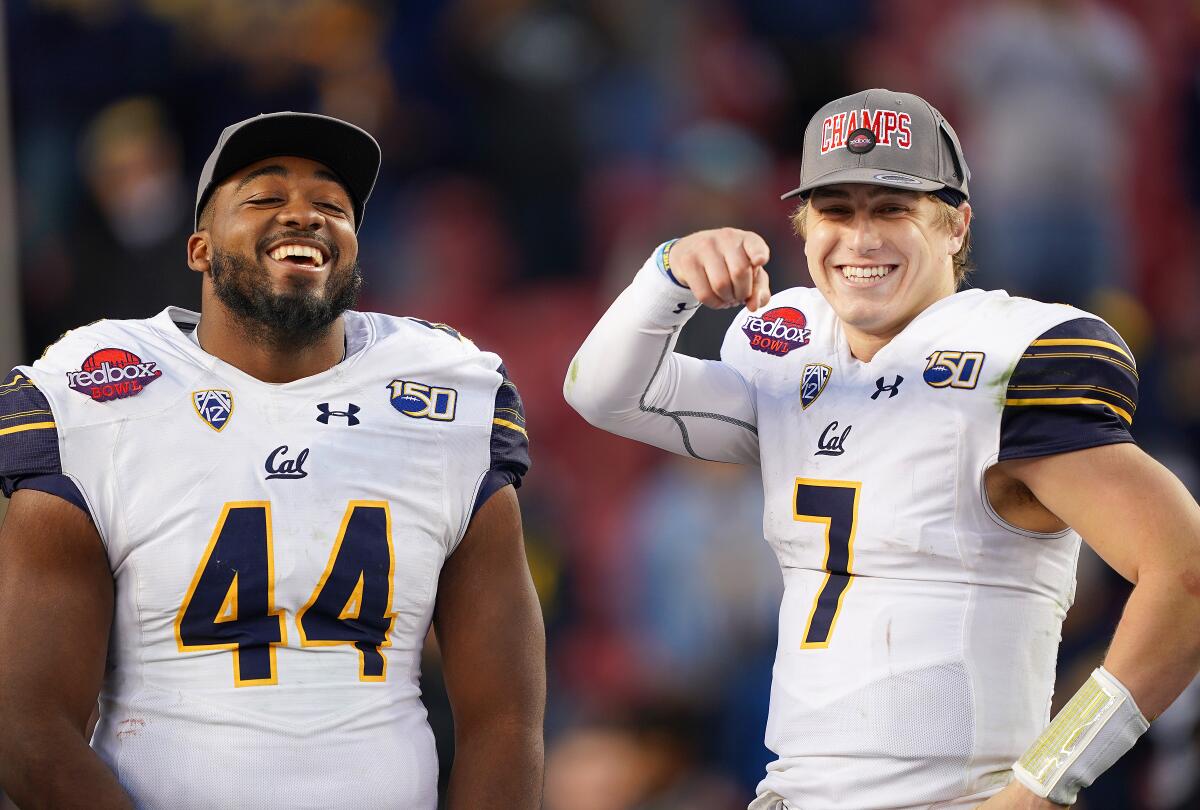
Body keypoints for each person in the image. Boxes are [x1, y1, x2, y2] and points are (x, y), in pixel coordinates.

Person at [563, 89, 1200, 809]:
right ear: (802, 229)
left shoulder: (1005, 360)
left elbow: (1185, 574)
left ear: (956, 225)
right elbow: (602, 393)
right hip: (795, 789)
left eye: (892, 209)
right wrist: (668, 273)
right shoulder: (791, 356)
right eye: (837, 211)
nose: (861, 238)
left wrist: (1047, 780)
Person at [0, 112, 545, 809]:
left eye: (332, 205)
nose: (304, 216)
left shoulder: (447, 391)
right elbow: (28, 728)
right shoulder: (96, 390)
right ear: (199, 249)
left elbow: (505, 720)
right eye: (264, 198)